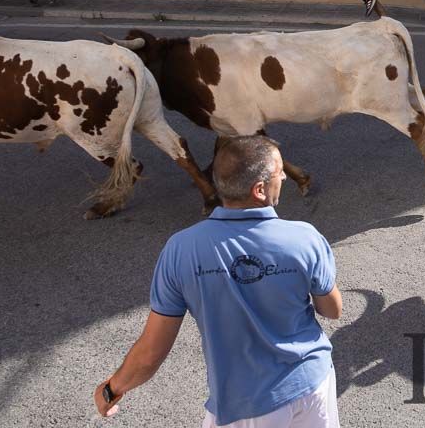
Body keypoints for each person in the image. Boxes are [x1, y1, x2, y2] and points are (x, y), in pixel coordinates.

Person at [94, 136, 342, 428]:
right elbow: (332, 309)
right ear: (259, 190)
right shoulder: (305, 237)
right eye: (279, 172)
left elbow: (151, 353)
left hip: (244, 404)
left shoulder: (181, 249)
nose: (285, 176)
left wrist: (112, 388)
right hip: (313, 385)